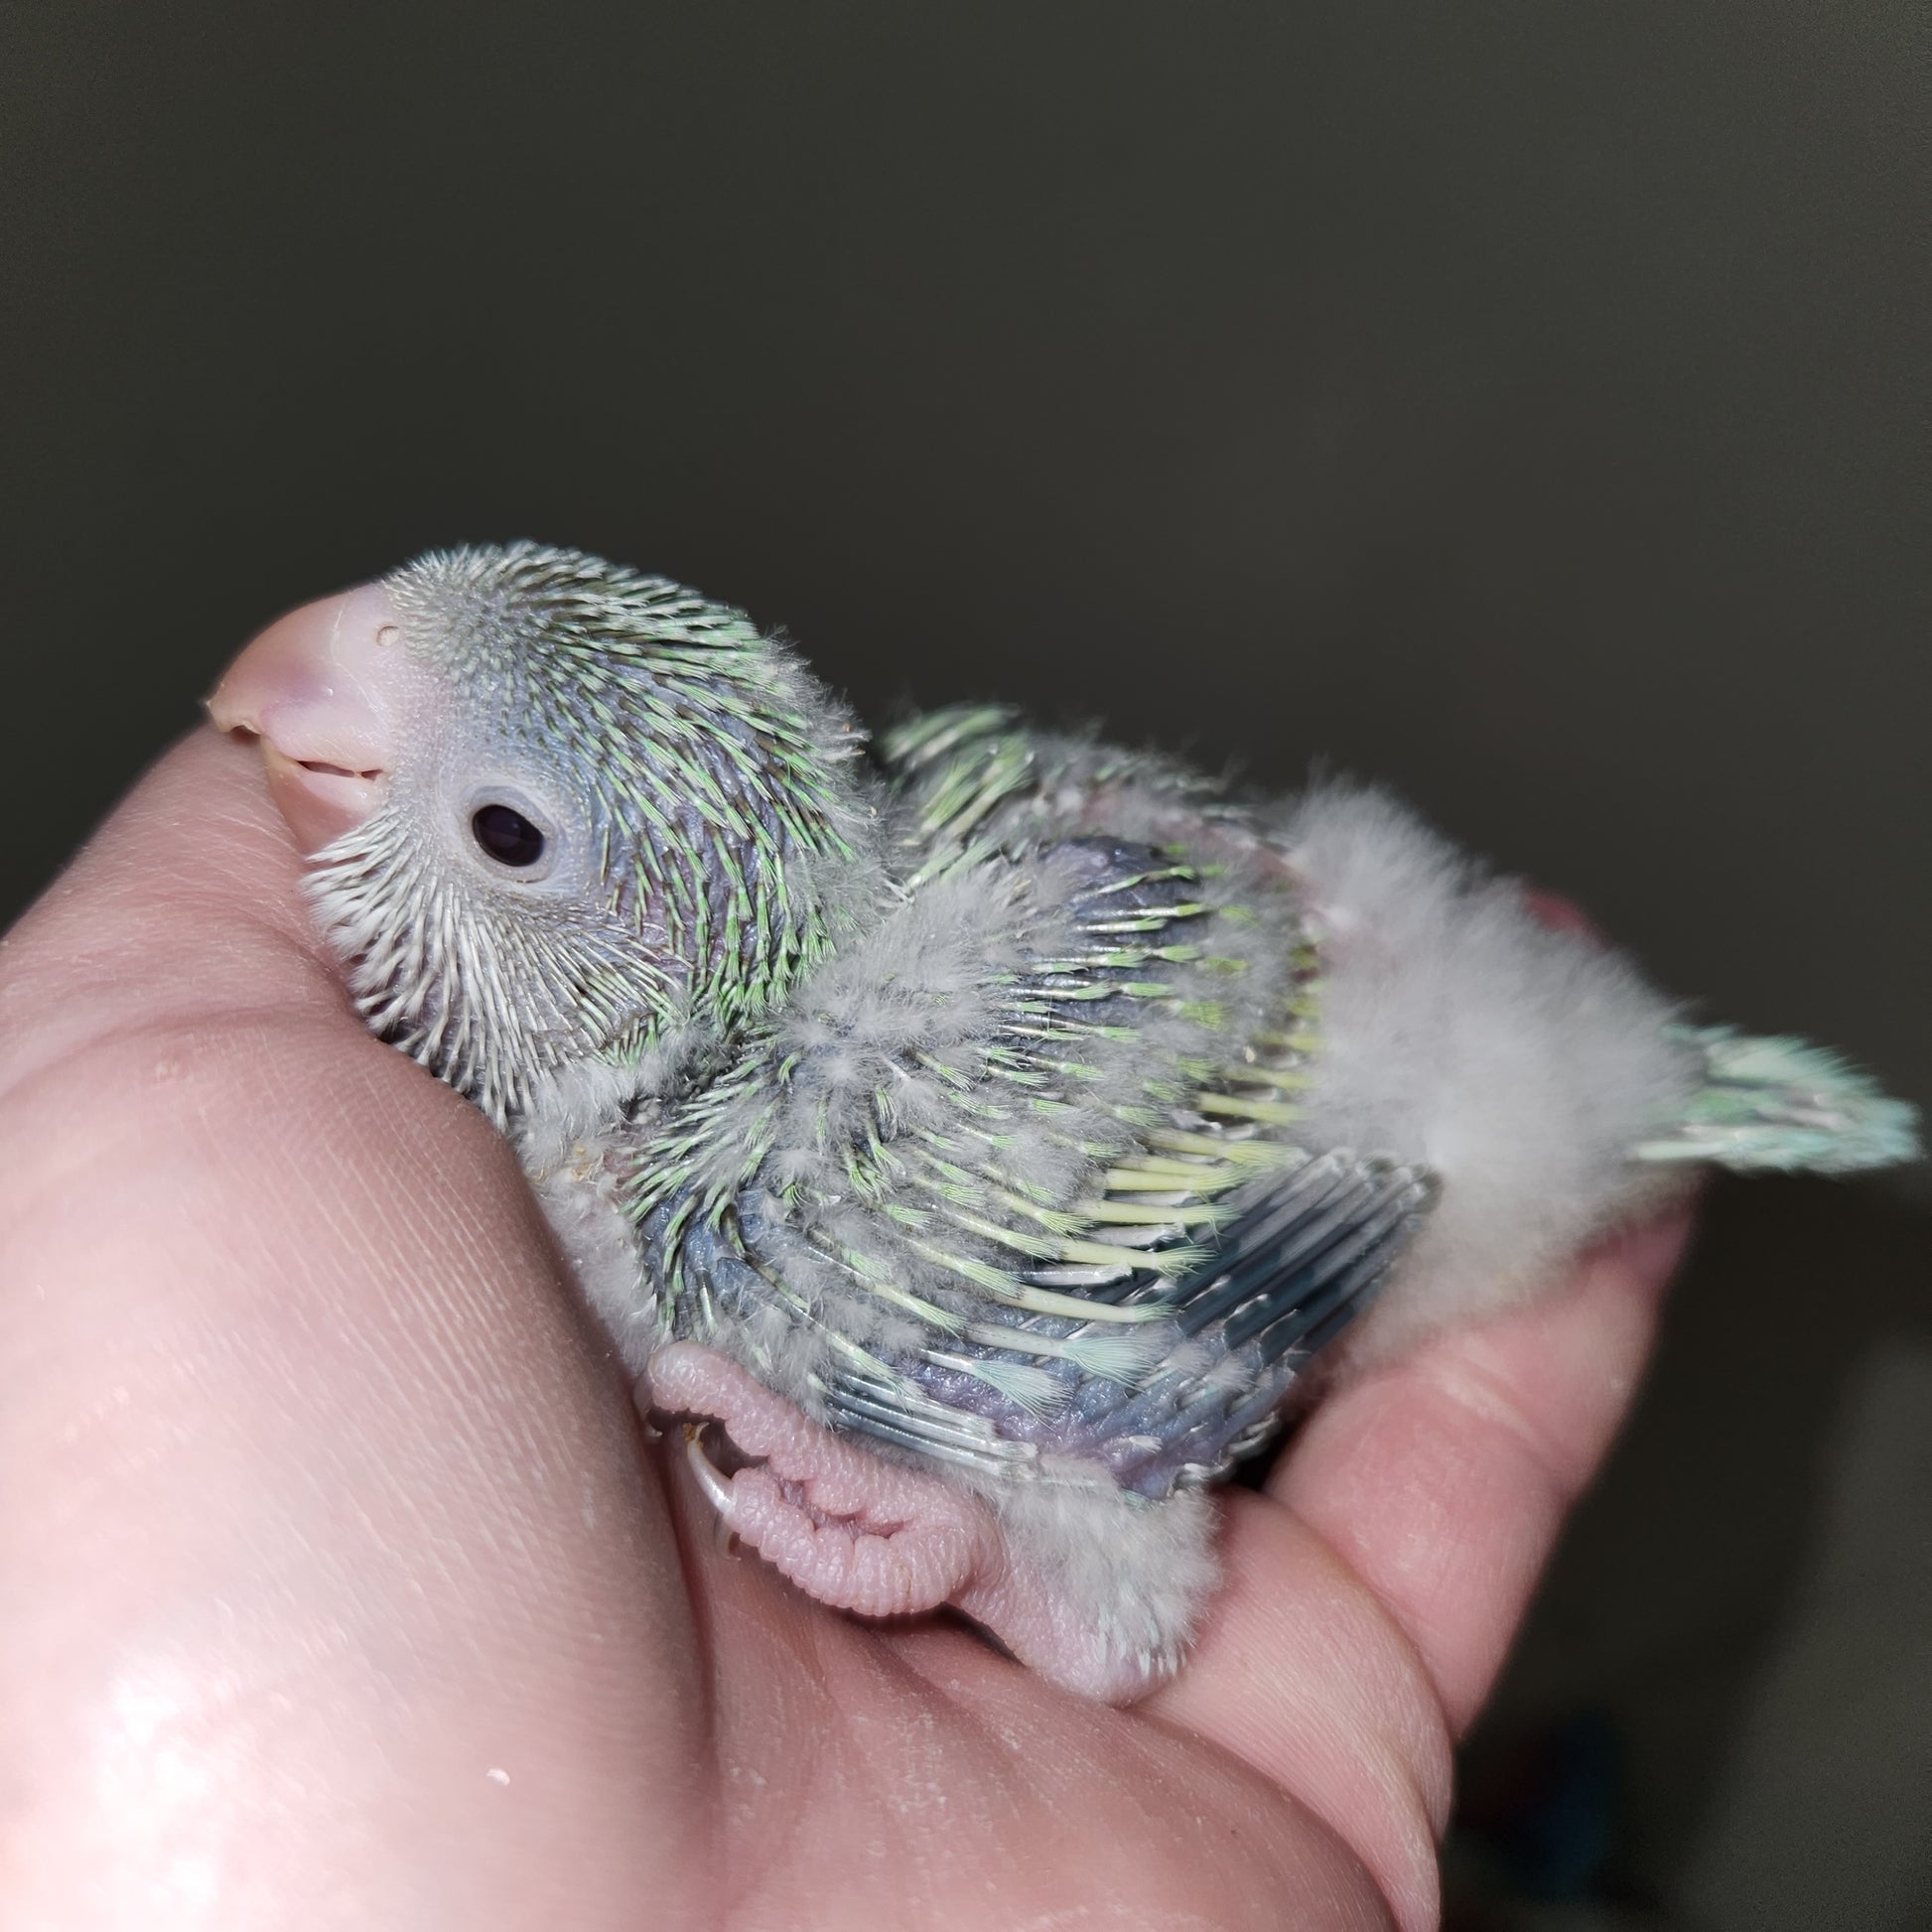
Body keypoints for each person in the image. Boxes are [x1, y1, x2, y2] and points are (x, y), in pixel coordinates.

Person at [0, 728, 1690, 1930]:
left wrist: (1004, 1547)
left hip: (1407, 1124)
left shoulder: (746, 1206)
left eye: (508, 834)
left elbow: (1150, 1518)